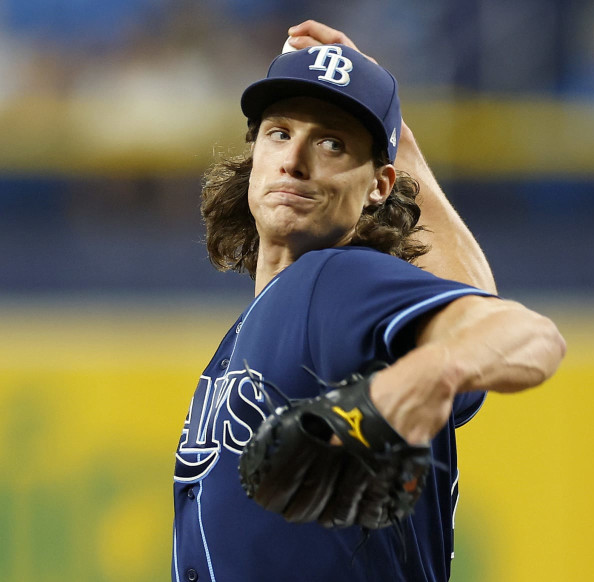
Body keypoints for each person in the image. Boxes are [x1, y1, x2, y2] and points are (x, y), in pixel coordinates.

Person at [172, 20, 565, 582]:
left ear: (380, 184)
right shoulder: (253, 328)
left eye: (332, 143)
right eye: (279, 132)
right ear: (254, 154)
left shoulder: (337, 282)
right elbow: (469, 298)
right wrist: (395, 133)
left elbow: (525, 334)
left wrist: (428, 376)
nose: (295, 159)